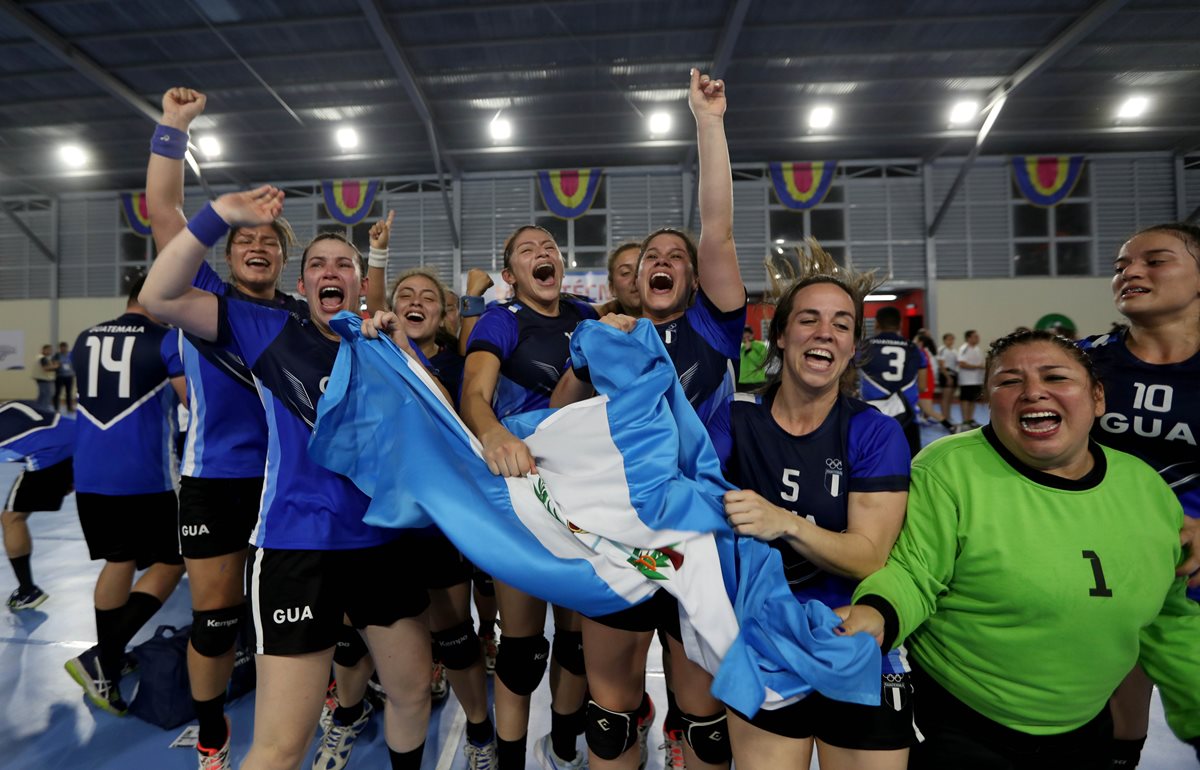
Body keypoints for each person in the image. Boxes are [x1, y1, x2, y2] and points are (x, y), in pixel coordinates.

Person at [141, 187, 434, 770]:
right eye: (317, 264)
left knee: (411, 694)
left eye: (344, 264)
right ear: (302, 289)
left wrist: (401, 348)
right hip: (298, 550)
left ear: (358, 282)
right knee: (281, 746)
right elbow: (159, 294)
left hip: (382, 543)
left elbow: (439, 423)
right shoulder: (268, 329)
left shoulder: (381, 344)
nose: (331, 271)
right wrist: (220, 215)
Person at [838, 330, 1200, 768]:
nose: (1032, 392)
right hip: (963, 723)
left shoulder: (1145, 488)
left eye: (1055, 377)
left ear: (1098, 398)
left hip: (1086, 725)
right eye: (1009, 381)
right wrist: (876, 613)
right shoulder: (948, 469)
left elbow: (1171, 615)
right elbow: (914, 573)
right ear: (990, 400)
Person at [551, 69, 745, 770]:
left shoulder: (716, 332)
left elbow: (716, 227)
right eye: (650, 258)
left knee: (704, 721)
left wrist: (707, 122)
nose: (663, 261)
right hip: (621, 535)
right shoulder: (610, 340)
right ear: (632, 279)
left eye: (677, 258)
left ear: (695, 281)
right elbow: (557, 422)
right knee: (610, 716)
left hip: (698, 533)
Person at [145, 85, 308, 770]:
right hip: (216, 480)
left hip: (290, 487)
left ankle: (317, 699)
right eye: (244, 238)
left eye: (269, 241)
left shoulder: (301, 316)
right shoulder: (200, 300)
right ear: (227, 250)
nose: (256, 247)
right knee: (215, 621)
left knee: (294, 618)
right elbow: (164, 212)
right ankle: (212, 734)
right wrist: (173, 126)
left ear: (283, 257)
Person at [721, 244, 912, 770]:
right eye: (809, 319)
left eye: (842, 324)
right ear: (780, 337)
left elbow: (869, 558)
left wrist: (779, 521)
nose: (825, 332)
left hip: (851, 637)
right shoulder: (737, 423)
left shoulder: (874, 432)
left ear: (853, 346)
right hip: (763, 639)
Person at [460, 223, 596, 770]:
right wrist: (495, 433)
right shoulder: (502, 320)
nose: (542, 255)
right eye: (526, 251)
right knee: (521, 647)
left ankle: (563, 750)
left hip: (585, 496)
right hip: (523, 495)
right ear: (511, 276)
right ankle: (511, 761)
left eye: (550, 249)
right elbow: (474, 394)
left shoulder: (589, 318)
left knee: (576, 639)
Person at [365, 231, 496, 769]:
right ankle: (355, 709)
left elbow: (460, 420)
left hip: (439, 523)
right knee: (380, 637)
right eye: (405, 295)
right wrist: (376, 259)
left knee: (456, 636)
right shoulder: (373, 354)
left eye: (427, 297)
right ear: (391, 309)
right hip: (383, 523)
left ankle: (481, 729)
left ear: (443, 314)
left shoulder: (458, 364)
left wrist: (474, 295)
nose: (414, 302)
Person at [1079, 222, 1200, 768]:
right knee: (1105, 723)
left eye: (1155, 261)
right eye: (1121, 265)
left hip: (1192, 579)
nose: (1130, 271)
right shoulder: (1083, 364)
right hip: (1102, 569)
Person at [65, 273, 187, 717]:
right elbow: (194, 403)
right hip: (144, 477)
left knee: (117, 560)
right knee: (174, 562)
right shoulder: (167, 340)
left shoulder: (84, 338)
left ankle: (108, 665)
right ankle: (105, 654)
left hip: (91, 474)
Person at [0, 402, 74, 611]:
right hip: (83, 438)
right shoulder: (10, 406)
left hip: (48, 454)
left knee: (12, 518)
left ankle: (27, 590)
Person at [859, 306, 922, 456]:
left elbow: (847, 379)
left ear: (876, 324)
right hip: (906, 415)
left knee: (869, 460)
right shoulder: (913, 349)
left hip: (871, 414)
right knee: (910, 462)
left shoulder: (863, 347)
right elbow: (924, 385)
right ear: (900, 325)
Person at [601, 242, 641, 316]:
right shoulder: (599, 325)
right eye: (625, 272)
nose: (636, 278)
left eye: (641, 270)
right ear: (612, 288)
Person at [956, 329, 984, 429]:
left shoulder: (977, 349)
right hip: (966, 381)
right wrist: (977, 367)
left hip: (976, 380)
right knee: (965, 400)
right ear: (969, 338)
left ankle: (970, 419)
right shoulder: (964, 348)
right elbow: (961, 363)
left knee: (973, 400)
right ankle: (965, 420)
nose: (978, 338)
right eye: (975, 336)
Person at [935, 333, 958, 429]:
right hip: (946, 374)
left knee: (950, 398)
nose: (951, 341)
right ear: (944, 340)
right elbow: (941, 365)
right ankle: (944, 417)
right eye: (949, 339)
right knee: (945, 397)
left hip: (953, 373)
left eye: (952, 339)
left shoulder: (954, 350)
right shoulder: (942, 350)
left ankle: (948, 416)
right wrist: (948, 377)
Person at [737, 326, 768, 392]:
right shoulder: (741, 348)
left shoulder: (760, 346)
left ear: (752, 335)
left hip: (756, 382)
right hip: (742, 383)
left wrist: (749, 350)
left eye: (748, 336)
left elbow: (761, 362)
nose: (746, 339)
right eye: (744, 338)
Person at [53, 342, 75, 413]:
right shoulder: (57, 355)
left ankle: (69, 407)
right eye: (62, 348)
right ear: (60, 348)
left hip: (69, 376)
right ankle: (56, 408)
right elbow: (54, 363)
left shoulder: (71, 354)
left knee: (69, 393)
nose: (63, 349)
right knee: (57, 393)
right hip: (60, 376)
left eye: (65, 347)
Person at [33, 344, 57, 411]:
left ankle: (38, 409)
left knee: (42, 396)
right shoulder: (43, 358)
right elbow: (46, 368)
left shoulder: (38, 357)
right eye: (49, 350)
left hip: (41, 379)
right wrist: (56, 366)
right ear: (44, 350)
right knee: (46, 396)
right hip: (44, 379)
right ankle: (44, 410)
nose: (51, 351)